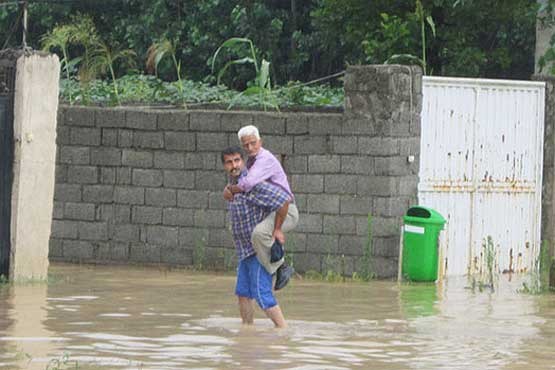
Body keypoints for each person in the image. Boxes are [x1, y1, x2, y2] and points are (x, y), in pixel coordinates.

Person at [221, 146, 292, 328]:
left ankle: (283, 332)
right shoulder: (233, 186)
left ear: (243, 161)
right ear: (224, 166)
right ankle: (246, 332)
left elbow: (284, 200)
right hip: (244, 252)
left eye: (237, 160)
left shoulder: (252, 184)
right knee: (243, 293)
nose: (234, 165)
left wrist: (277, 229)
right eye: (229, 162)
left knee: (262, 295)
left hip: (258, 252)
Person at [223, 125, 298, 286]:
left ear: (260, 142)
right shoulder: (251, 161)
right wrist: (228, 189)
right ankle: (274, 269)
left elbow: (249, 184)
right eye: (246, 145)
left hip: (285, 210)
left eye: (253, 143)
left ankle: (281, 267)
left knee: (259, 233)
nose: (250, 148)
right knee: (257, 235)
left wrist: (277, 229)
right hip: (273, 209)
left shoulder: (264, 160)